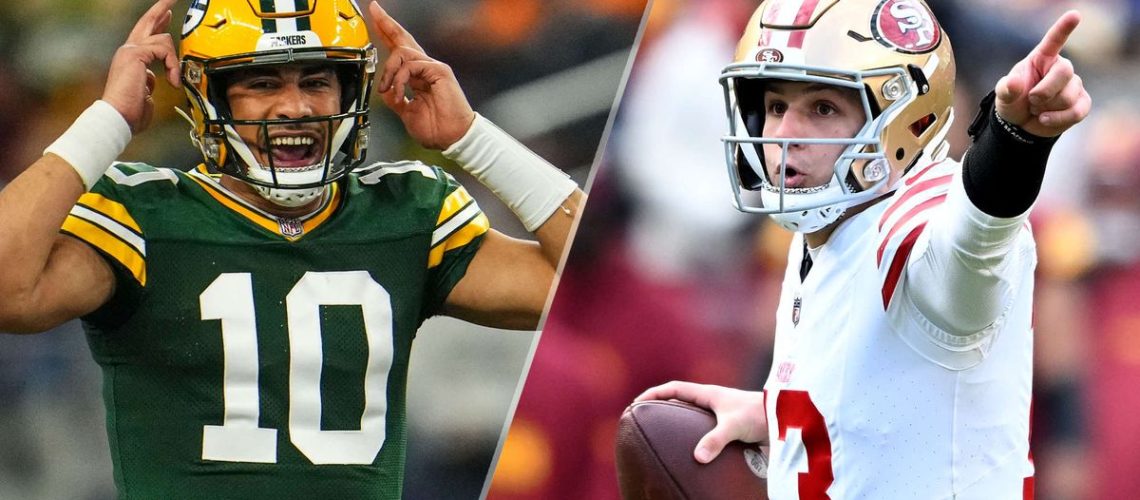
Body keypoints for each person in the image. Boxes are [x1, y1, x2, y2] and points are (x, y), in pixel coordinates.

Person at [0, 0, 581, 497]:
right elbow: (9, 290)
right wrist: (108, 121)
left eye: (316, 80)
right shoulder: (145, 212)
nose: (295, 107)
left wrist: (471, 138)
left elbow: (580, 289)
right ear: (210, 93)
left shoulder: (405, 210)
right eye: (262, 82)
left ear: (351, 87)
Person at [636, 0, 1091, 497]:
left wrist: (1013, 142)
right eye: (775, 107)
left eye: (823, 108)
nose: (784, 134)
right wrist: (778, 411)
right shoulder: (826, 228)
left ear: (901, 120)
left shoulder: (916, 215)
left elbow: (970, 244)